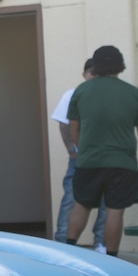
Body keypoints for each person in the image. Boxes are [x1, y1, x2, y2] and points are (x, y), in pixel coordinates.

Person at [64, 45, 138, 257]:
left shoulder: (81, 91)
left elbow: (74, 125)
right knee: (115, 210)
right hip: (122, 163)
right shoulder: (134, 94)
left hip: (89, 161)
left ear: (95, 65)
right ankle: (112, 258)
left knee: (81, 204)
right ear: (120, 65)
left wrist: (82, 148)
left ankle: (69, 249)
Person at [50, 60, 93, 243]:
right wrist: (72, 150)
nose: (94, 76)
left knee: (107, 201)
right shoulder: (72, 94)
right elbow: (63, 124)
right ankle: (62, 241)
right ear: (84, 74)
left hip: (102, 154)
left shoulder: (105, 95)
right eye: (92, 72)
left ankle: (101, 243)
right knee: (71, 197)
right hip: (79, 156)